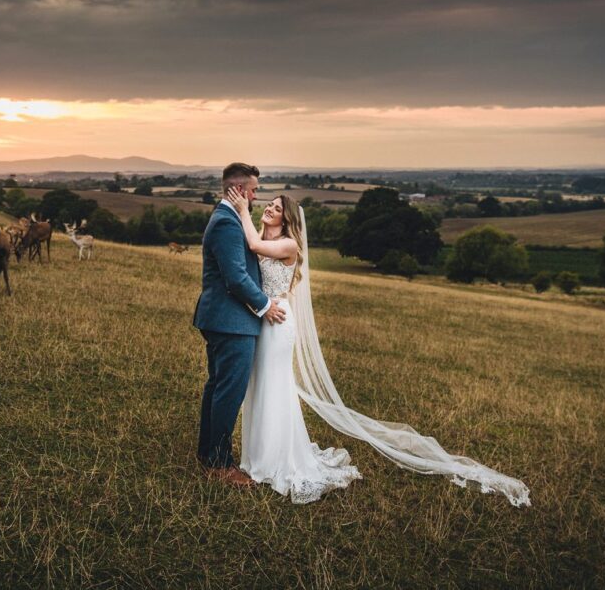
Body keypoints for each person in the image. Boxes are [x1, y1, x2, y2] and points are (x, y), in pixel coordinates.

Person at [223, 187, 531, 507]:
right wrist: (252, 219)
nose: (268, 209)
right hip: (264, 321)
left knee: (275, 387)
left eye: (275, 207)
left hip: (279, 324)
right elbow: (253, 247)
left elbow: (254, 246)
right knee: (259, 386)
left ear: (287, 218)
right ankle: (258, 454)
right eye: (267, 205)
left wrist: (243, 208)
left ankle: (275, 460)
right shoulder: (267, 237)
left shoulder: (288, 244)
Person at [193, 163, 286, 487]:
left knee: (218, 387)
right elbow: (235, 278)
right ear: (239, 190)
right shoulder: (227, 224)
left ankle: (208, 454)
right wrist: (264, 306)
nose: (257, 195)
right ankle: (219, 464)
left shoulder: (230, 219)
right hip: (231, 321)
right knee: (228, 392)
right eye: (254, 189)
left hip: (225, 319)